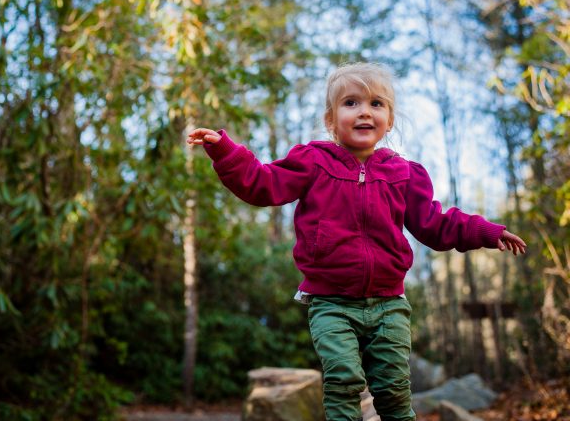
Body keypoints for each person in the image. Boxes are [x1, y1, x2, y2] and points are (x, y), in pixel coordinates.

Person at [185, 62, 526, 421]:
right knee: (343, 381)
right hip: (331, 302)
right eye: (351, 103)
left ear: (389, 119)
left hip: (389, 304)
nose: (365, 111)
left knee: (394, 390)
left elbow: (435, 225)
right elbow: (262, 183)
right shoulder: (313, 162)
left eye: (376, 103)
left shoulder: (405, 174)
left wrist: (486, 231)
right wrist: (225, 151)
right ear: (331, 119)